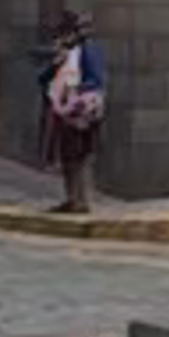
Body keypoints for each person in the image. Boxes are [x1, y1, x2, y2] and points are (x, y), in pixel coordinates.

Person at [41, 16, 107, 221]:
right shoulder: (65, 54)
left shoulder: (87, 50)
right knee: (69, 156)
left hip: (79, 109)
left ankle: (80, 200)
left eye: (64, 36)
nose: (61, 41)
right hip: (65, 109)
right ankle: (73, 199)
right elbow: (43, 78)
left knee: (79, 155)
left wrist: (74, 91)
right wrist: (55, 64)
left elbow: (96, 80)